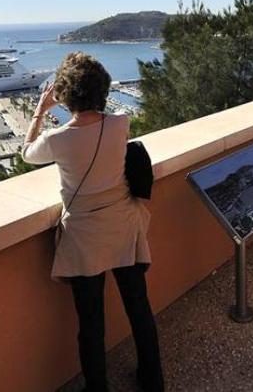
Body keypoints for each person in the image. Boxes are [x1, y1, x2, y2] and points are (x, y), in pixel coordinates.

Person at [22, 52, 164, 391]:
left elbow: (26, 154)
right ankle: (152, 378)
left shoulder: (57, 140)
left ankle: (97, 387)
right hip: (123, 225)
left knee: (91, 322)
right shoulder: (120, 124)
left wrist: (41, 112)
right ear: (102, 90)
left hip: (85, 238)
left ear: (64, 95)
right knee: (139, 308)